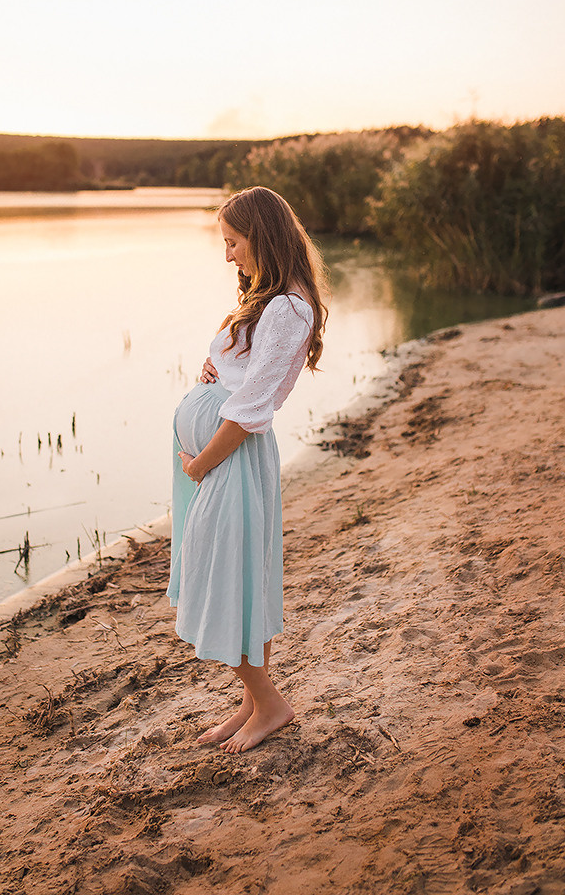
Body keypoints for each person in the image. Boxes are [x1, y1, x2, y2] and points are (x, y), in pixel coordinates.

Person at [166, 185, 328, 753]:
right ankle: (253, 703)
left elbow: (251, 409)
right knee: (239, 578)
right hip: (222, 458)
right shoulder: (272, 300)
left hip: (227, 459)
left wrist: (199, 465)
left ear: (260, 235)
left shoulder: (286, 307)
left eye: (233, 242)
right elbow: (246, 381)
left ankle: (272, 703)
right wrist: (217, 367)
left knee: (222, 579)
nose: (228, 254)